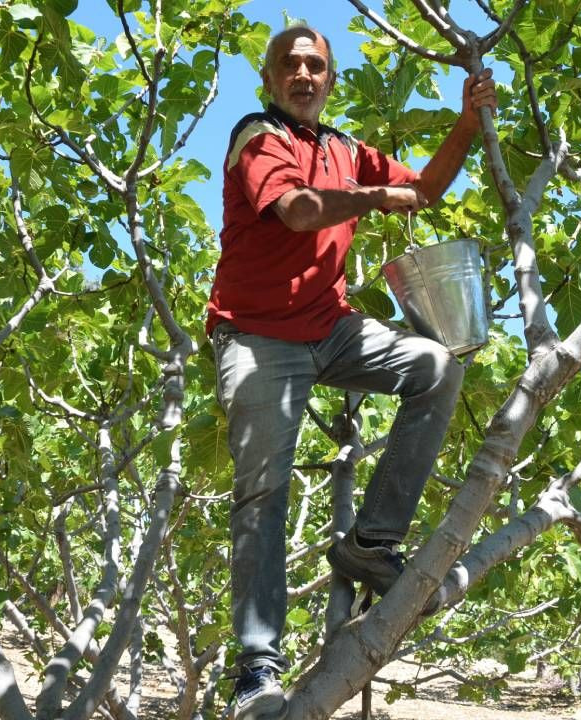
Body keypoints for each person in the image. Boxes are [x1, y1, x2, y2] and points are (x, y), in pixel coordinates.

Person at [205, 23, 498, 720]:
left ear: (329, 79)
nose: (303, 75)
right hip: (256, 338)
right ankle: (256, 667)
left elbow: (424, 188)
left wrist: (465, 121)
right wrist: (374, 199)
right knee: (262, 495)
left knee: (434, 366)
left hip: (329, 328)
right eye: (290, 65)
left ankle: (371, 543)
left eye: (315, 65)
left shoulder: (345, 149)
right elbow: (299, 210)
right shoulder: (258, 137)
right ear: (272, 79)